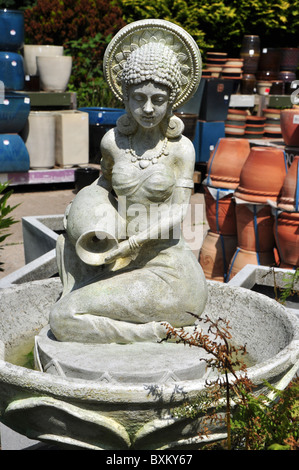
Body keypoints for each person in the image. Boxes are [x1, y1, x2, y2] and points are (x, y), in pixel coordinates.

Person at [49, 20, 207, 344]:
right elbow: (102, 185)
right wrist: (80, 206)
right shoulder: (113, 142)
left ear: (172, 100)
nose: (147, 108)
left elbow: (179, 214)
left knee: (64, 317)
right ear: (124, 96)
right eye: (138, 98)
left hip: (168, 271)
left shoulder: (181, 150)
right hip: (118, 261)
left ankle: (153, 334)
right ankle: (151, 334)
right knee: (64, 313)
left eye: (158, 99)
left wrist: (133, 243)